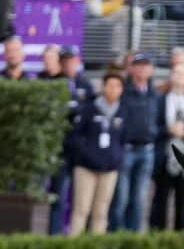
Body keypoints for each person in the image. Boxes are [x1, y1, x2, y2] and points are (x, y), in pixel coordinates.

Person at [68, 71, 126, 236]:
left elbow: (123, 140)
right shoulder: (89, 109)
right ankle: (74, 248)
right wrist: (87, 155)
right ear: (103, 87)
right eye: (110, 85)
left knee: (101, 212)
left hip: (109, 169)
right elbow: (76, 137)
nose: (113, 89)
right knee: (81, 210)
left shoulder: (122, 111)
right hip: (86, 168)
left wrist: (116, 159)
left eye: (117, 86)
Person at [150, 60, 184, 230]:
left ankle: (179, 238)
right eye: (177, 73)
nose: (180, 77)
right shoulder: (160, 100)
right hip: (164, 156)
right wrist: (168, 130)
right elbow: (152, 127)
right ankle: (157, 237)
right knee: (160, 200)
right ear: (171, 76)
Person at [109, 52, 160, 231]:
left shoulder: (155, 94)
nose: (142, 68)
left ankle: (134, 239)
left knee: (139, 200)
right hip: (126, 149)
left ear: (151, 69)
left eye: (146, 65)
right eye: (139, 64)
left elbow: (159, 120)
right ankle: (116, 238)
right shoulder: (123, 92)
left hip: (147, 150)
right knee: (121, 199)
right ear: (131, 68)